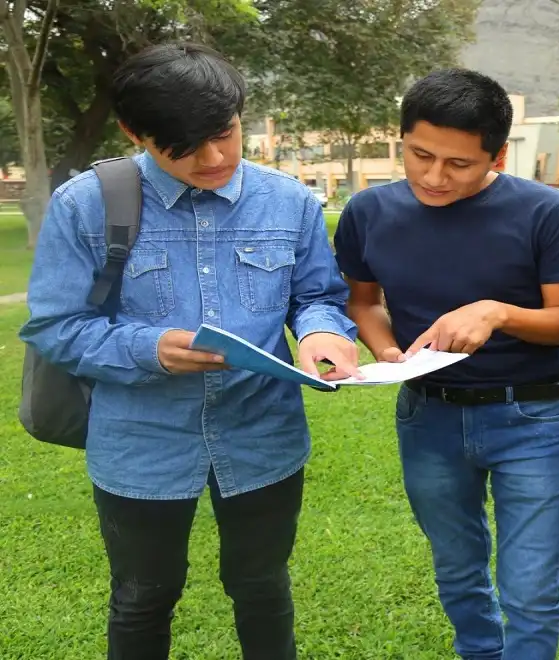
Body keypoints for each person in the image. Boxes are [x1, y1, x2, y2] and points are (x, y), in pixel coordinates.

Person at [19, 42, 359, 659]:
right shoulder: (87, 206)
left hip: (262, 434)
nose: (214, 157)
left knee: (261, 586)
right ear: (134, 132)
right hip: (140, 442)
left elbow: (317, 296)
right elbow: (55, 326)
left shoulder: (287, 201)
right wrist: (148, 348)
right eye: (184, 146)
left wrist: (321, 332)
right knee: (143, 595)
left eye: (225, 134)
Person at [332, 68, 559, 660]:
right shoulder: (368, 212)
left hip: (531, 417)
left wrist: (498, 312)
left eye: (458, 164)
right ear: (401, 138)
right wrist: (385, 350)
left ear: (498, 155)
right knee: (456, 571)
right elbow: (364, 299)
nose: (434, 176)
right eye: (420, 155)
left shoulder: (546, 213)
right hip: (428, 418)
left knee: (529, 590)